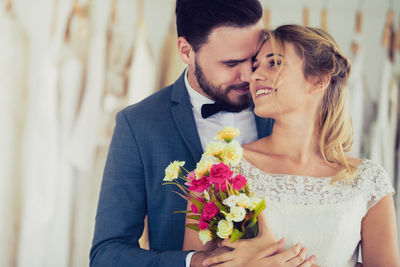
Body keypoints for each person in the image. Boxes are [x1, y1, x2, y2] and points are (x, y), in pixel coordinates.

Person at [184, 25, 400, 267]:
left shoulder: (369, 181)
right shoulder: (222, 168)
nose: (254, 76)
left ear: (318, 80)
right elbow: (196, 261)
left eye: (274, 63)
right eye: (256, 66)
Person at [90, 1, 279, 266]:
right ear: (186, 51)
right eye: (232, 63)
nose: (249, 75)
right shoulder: (138, 125)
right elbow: (107, 254)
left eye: (254, 59)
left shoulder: (285, 110)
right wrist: (193, 262)